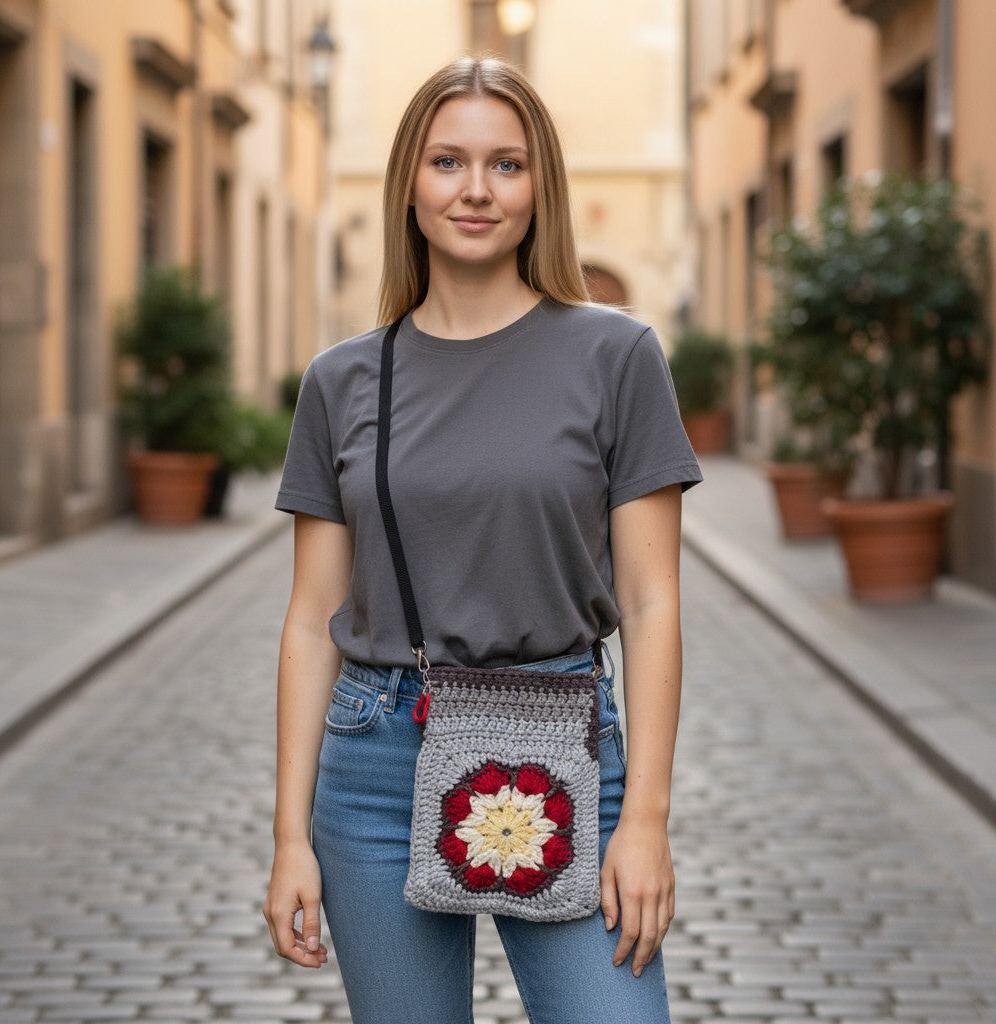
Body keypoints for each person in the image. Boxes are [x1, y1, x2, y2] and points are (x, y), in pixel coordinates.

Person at [263, 56, 702, 1023]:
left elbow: (651, 602)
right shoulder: (342, 382)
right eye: (447, 161)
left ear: (540, 186)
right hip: (377, 760)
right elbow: (309, 622)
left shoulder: (616, 356)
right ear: (408, 186)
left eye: (506, 165)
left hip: (563, 740)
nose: (474, 190)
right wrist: (290, 834)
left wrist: (646, 822)